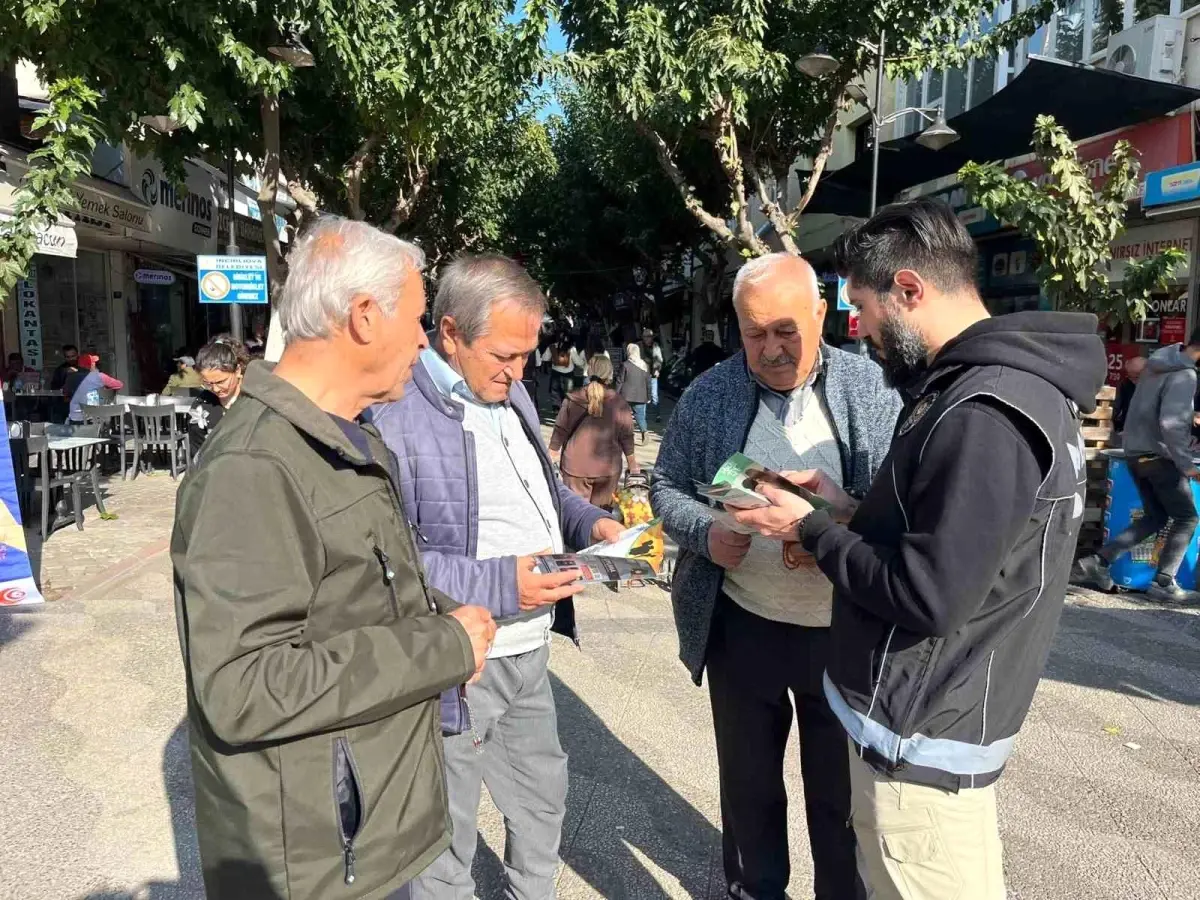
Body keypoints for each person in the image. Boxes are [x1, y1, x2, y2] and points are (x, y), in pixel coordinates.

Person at [725, 199, 1106, 900]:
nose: (860, 330)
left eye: (864, 309)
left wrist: (812, 530)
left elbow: (927, 594)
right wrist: (843, 507)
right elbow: (945, 535)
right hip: (925, 728)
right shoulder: (973, 391)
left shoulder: (985, 412)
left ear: (909, 290)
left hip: (923, 746)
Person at [172, 217, 497, 900]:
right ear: (364, 317)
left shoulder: (346, 439)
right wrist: (441, 648)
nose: (421, 340)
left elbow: (365, 587)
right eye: (415, 319)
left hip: (362, 835)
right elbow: (243, 686)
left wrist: (447, 619)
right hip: (314, 861)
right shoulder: (253, 467)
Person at [372, 253, 624, 900]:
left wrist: (587, 524)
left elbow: (540, 493)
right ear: (450, 333)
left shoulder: (508, 397)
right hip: (457, 664)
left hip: (529, 651)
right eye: (505, 356)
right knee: (443, 836)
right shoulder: (396, 417)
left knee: (543, 802)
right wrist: (499, 586)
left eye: (526, 357)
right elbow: (383, 563)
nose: (518, 374)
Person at [651, 253, 899, 900]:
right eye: (755, 333)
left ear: (822, 314)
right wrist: (709, 534)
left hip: (840, 633)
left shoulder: (870, 390)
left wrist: (831, 536)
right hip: (743, 626)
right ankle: (754, 889)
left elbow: (901, 509)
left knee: (839, 799)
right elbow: (664, 486)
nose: (771, 349)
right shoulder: (711, 394)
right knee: (749, 785)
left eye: (786, 330)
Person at [1073, 332, 1200, 604]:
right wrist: (1187, 465)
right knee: (1187, 517)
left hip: (1135, 453)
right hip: (1159, 456)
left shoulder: (1158, 364)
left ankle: (1099, 561)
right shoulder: (1185, 375)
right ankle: (1164, 582)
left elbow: (1152, 411)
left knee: (1156, 516)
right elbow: (1170, 423)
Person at [549, 354, 640, 508]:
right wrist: (633, 464)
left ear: (589, 371)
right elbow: (627, 437)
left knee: (575, 516)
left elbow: (560, 430)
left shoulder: (572, 399)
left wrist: (551, 454)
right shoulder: (619, 403)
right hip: (608, 469)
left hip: (575, 468)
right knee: (602, 519)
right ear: (609, 374)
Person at [187, 336, 249, 458]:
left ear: (237, 370)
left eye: (221, 382)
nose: (215, 389)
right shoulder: (200, 406)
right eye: (208, 383)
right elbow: (197, 453)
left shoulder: (254, 399)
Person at [65, 353, 123, 423]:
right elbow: (119, 384)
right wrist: (105, 388)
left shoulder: (70, 377)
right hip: (92, 418)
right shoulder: (99, 376)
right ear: (91, 365)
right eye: (94, 363)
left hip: (74, 418)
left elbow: (65, 394)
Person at [618, 342, 651, 445]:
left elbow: (620, 381)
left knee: (624, 416)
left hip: (626, 396)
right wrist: (648, 396)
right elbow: (648, 383)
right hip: (641, 396)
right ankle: (644, 432)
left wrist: (616, 394)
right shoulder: (645, 365)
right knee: (640, 415)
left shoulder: (625, 365)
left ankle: (625, 436)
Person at [1112, 354, 1147, 434]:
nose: (1132, 380)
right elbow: (1115, 408)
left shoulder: (1158, 387)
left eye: (1136, 377)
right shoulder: (1126, 384)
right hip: (1126, 430)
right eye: (1129, 376)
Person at [640, 327, 664, 419]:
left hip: (653, 374)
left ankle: (657, 415)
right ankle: (642, 415)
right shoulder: (639, 346)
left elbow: (659, 359)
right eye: (646, 336)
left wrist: (658, 369)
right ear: (643, 337)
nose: (648, 338)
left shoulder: (655, 346)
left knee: (654, 395)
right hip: (642, 374)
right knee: (643, 395)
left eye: (650, 336)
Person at [549, 333, 574, 407]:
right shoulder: (571, 348)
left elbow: (545, 357)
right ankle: (566, 406)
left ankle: (556, 407)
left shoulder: (552, 346)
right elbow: (577, 361)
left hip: (555, 371)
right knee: (568, 391)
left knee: (555, 390)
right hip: (568, 372)